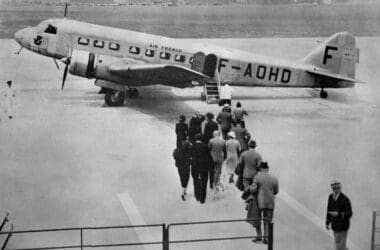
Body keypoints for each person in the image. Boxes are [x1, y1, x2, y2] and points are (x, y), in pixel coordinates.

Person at [252, 162, 279, 244]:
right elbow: (276, 191)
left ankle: (259, 236)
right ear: (267, 169)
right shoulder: (274, 179)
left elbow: (253, 189)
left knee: (257, 219)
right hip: (270, 202)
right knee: (267, 220)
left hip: (260, 201)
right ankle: (266, 238)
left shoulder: (257, 177)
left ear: (260, 169)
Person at [326, 181, 352, 250]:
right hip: (335, 226)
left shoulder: (345, 199)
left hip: (343, 226)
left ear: (340, 188)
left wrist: (339, 214)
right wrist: (327, 222)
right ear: (332, 189)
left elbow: (349, 213)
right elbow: (328, 209)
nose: (336, 190)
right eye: (334, 188)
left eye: (338, 188)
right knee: (338, 244)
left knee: (340, 246)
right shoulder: (330, 197)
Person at [191, 134, 213, 204]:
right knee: (204, 182)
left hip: (194, 166)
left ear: (195, 139)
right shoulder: (205, 146)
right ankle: (202, 199)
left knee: (195, 181)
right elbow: (209, 157)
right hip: (204, 167)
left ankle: (197, 196)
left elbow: (189, 156)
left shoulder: (192, 146)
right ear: (201, 139)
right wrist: (211, 165)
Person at [208, 130, 226, 198]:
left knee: (211, 171)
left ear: (213, 134)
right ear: (219, 134)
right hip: (219, 158)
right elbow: (224, 151)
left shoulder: (211, 141)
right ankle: (216, 184)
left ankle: (212, 184)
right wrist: (224, 158)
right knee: (218, 172)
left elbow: (208, 149)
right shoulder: (223, 141)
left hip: (212, 158)